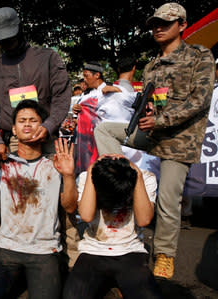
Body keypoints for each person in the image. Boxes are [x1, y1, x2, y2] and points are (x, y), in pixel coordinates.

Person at [94, 3, 215, 279]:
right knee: (105, 130)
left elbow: (200, 101)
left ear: (182, 25)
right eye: (154, 24)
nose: (158, 28)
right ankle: (125, 185)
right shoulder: (152, 65)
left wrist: (159, 120)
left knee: (168, 200)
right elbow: (153, 102)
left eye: (165, 23)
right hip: (153, 133)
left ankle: (163, 255)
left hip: (180, 140)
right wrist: (149, 110)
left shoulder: (199, 56)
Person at [0, 100, 78, 298]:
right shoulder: (2, 165)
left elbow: (71, 207)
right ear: (14, 129)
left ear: (43, 128)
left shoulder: (56, 164)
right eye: (22, 121)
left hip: (45, 250)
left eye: (33, 120)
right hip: (8, 248)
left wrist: (69, 176)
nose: (28, 125)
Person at [63, 155, 162, 299]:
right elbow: (86, 216)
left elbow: (144, 220)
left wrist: (138, 176)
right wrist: (91, 171)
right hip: (93, 251)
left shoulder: (145, 178)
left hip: (130, 251)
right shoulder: (90, 176)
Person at [0, 7, 71, 159]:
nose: (7, 43)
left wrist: (49, 126)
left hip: (47, 140)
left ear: (20, 29)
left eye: (10, 37)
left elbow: (61, 97)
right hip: (14, 144)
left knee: (53, 181)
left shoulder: (48, 58)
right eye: (2, 40)